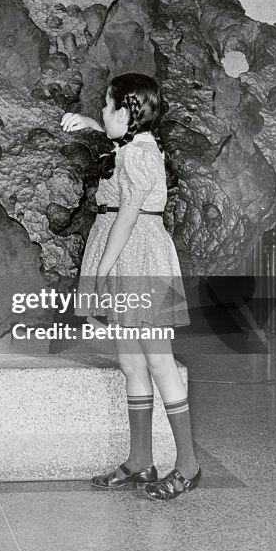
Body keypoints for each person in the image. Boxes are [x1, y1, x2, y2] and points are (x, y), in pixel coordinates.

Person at [61, 73, 200, 500]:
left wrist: (100, 271)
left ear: (127, 112)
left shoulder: (140, 155)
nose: (103, 114)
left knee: (160, 363)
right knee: (132, 364)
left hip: (137, 256)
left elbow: (127, 216)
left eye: (107, 107)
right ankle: (140, 460)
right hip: (123, 252)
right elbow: (116, 135)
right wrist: (90, 122)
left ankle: (188, 464)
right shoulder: (129, 144)